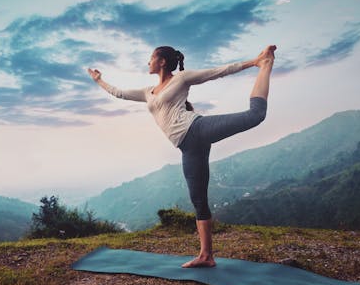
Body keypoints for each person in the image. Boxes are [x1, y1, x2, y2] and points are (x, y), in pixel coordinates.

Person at [87, 44, 276, 268]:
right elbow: (119, 93)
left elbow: (217, 72)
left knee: (255, 115)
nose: (148, 62)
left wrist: (253, 62)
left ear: (162, 62)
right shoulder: (147, 92)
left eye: (151, 58)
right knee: (198, 200)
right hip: (188, 147)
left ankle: (265, 65)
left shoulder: (182, 79)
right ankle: (207, 256)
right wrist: (99, 80)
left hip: (196, 129)